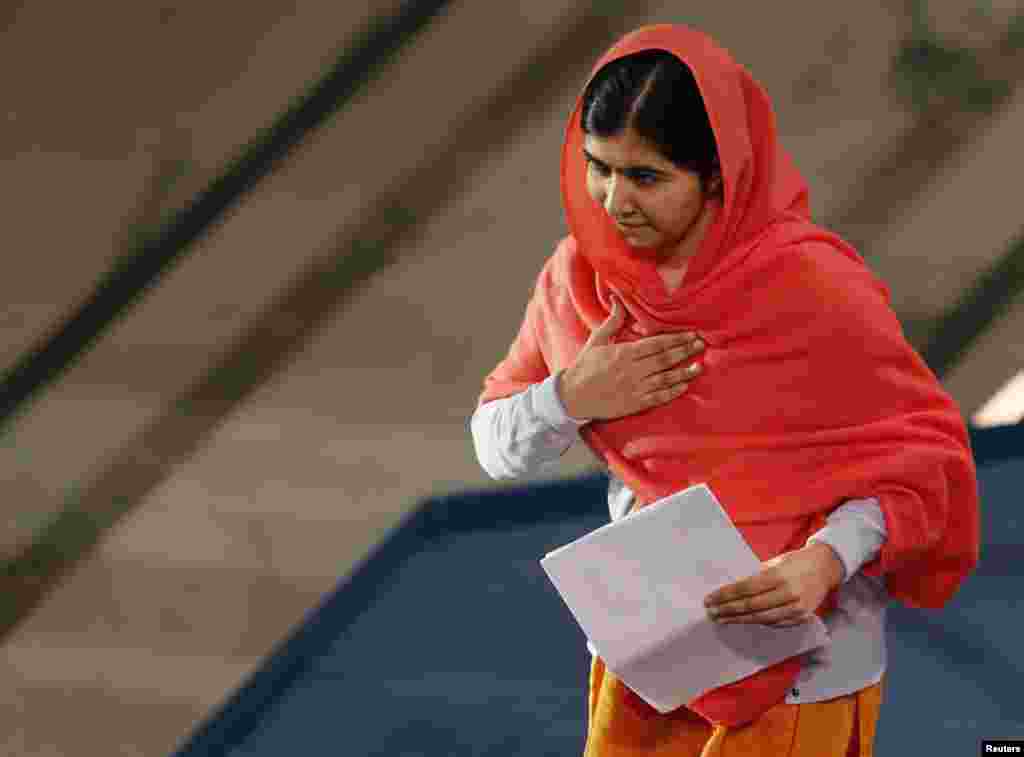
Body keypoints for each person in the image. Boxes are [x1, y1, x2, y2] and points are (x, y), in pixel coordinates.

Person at [470, 23, 980, 757]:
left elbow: (924, 465)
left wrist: (826, 559)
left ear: (717, 174)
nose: (613, 202)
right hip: (646, 665)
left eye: (646, 177)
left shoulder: (814, 289)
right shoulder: (578, 278)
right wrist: (570, 397)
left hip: (806, 677)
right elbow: (495, 447)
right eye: (597, 168)